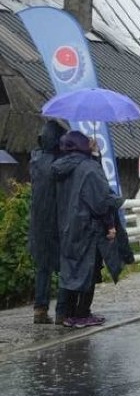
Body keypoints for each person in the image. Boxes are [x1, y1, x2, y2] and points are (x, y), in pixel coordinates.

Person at [52, 131, 122, 328]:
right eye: (89, 141)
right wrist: (110, 224)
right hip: (88, 228)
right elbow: (101, 201)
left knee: (70, 270)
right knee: (88, 272)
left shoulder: (60, 167)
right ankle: (82, 314)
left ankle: (65, 313)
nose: (93, 143)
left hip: (66, 227)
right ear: (81, 145)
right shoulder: (89, 169)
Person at [27, 120, 67, 324]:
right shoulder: (60, 163)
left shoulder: (35, 159)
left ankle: (40, 309)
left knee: (43, 267)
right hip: (57, 220)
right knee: (63, 266)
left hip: (38, 222)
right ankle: (62, 310)